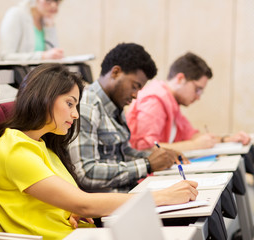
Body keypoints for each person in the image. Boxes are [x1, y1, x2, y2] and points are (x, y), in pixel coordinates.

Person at [0, 64, 198, 240]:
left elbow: (76, 204)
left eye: (76, 105)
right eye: (69, 103)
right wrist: (163, 196)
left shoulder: (42, 144)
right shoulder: (15, 148)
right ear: (43, 97)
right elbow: (84, 203)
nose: (75, 114)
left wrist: (73, 209)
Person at [68, 43, 189, 194]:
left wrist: (161, 156)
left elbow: (123, 153)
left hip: (128, 196)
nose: (135, 95)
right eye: (135, 86)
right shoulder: (87, 106)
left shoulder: (114, 106)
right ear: (116, 72)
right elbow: (86, 173)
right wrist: (147, 164)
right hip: (107, 208)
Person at [125, 52, 251, 151]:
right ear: (180, 79)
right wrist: (194, 145)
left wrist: (226, 139)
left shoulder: (171, 102)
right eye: (197, 89)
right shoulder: (154, 101)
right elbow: (145, 149)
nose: (198, 97)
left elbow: (191, 135)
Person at [0, 0, 64, 61]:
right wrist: (42, 56)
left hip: (42, 72)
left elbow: (54, 56)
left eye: (57, 1)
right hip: (22, 72)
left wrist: (49, 28)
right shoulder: (16, 14)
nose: (53, 5)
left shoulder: (46, 20)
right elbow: (5, 56)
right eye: (48, 0)